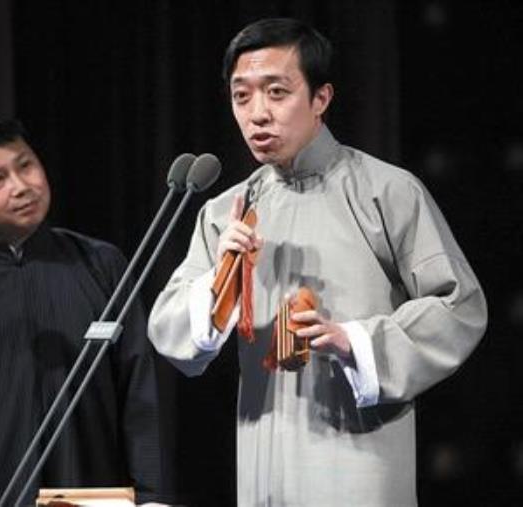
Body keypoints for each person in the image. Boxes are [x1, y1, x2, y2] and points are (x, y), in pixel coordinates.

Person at [148, 18, 487, 506]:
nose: (257, 114)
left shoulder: (386, 191)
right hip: (262, 458)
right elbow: (170, 331)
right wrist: (221, 283)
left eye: (277, 92)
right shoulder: (226, 213)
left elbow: (459, 305)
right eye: (241, 96)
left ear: (321, 98)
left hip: (359, 455)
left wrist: (357, 342)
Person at [0, 113, 165, 506]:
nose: (22, 186)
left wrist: (151, 496)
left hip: (89, 491)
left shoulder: (100, 264)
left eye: (26, 165)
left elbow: (138, 395)